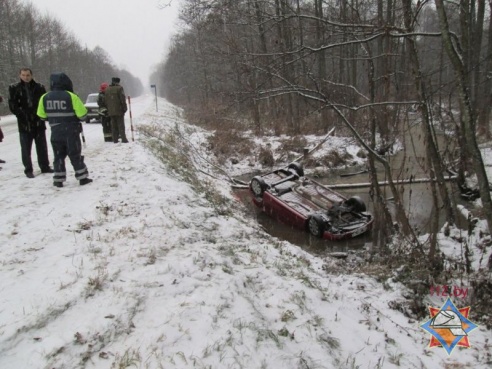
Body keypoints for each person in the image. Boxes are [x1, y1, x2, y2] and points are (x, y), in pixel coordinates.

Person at [37, 72, 93, 187]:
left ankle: (58, 179)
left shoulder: (45, 97)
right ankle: (82, 177)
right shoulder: (71, 96)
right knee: (74, 154)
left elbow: (41, 116)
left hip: (55, 132)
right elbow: (82, 115)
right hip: (71, 131)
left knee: (58, 155)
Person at [8, 68, 53, 178]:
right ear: (20, 75)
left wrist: (41, 116)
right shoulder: (14, 88)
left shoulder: (39, 87)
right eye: (23, 75)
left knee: (42, 146)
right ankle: (28, 169)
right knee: (25, 148)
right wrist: (23, 116)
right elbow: (13, 105)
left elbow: (44, 102)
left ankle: (44, 166)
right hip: (24, 123)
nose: (26, 77)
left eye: (28, 75)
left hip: (38, 121)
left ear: (31, 75)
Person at [105, 77, 128, 143]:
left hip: (111, 111)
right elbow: (122, 99)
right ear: (118, 82)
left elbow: (105, 100)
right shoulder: (120, 88)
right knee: (121, 125)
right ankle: (123, 139)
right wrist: (124, 108)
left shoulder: (107, 89)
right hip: (119, 110)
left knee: (113, 125)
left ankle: (115, 139)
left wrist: (109, 108)